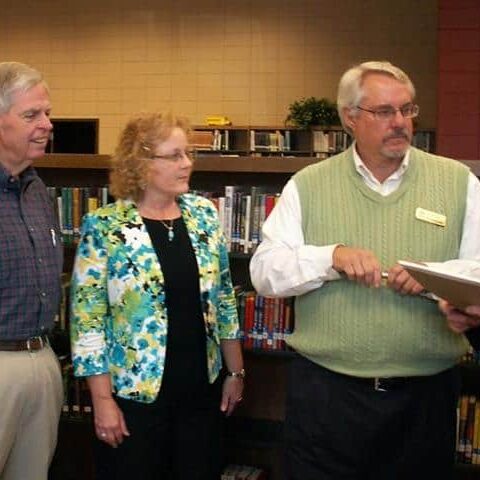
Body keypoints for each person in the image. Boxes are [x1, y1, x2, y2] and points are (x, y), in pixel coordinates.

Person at [250, 60, 480, 480]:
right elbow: (265, 270)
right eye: (384, 112)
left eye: (407, 110)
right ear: (350, 118)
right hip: (327, 401)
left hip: (423, 403)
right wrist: (330, 257)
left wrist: (439, 277)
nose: (400, 123)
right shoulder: (308, 184)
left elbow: (479, 269)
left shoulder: (459, 182)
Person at [70, 112, 244, 480]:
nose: (187, 164)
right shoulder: (105, 227)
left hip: (201, 390)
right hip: (135, 399)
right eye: (175, 155)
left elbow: (224, 298)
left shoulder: (204, 215)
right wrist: (102, 402)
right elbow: (87, 321)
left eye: (188, 154)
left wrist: (235, 371)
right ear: (142, 163)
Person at [0, 62, 63, 479]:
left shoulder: (38, 190)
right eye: (31, 115)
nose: (47, 124)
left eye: (46, 113)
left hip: (42, 359)